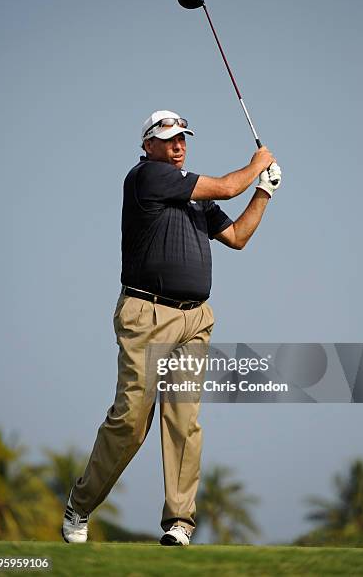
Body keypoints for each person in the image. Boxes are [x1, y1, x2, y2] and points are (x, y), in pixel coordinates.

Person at [61, 110, 281, 546]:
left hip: (194, 319)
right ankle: (80, 506)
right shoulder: (146, 178)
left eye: (183, 138)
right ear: (148, 146)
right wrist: (257, 163)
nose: (178, 145)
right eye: (168, 138)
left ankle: (180, 522)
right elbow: (225, 184)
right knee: (130, 422)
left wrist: (264, 192)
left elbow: (237, 236)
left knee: (183, 421)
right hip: (147, 315)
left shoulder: (194, 198)